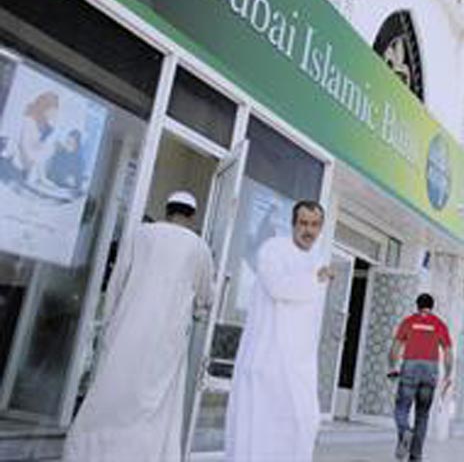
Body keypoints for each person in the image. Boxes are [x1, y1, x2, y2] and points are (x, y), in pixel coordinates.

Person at [62, 191, 214, 462]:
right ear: (192, 216)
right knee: (155, 405)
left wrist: (109, 323)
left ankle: (89, 453)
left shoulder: (140, 234)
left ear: (167, 210)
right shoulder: (198, 247)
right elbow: (206, 297)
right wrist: (198, 312)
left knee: (113, 391)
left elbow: (117, 282)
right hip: (167, 339)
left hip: (127, 329)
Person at [225, 200, 334, 462]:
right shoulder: (273, 249)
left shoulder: (318, 259)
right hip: (268, 358)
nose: (309, 230)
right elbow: (278, 287)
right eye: (303, 223)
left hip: (299, 362)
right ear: (293, 224)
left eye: (315, 225)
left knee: (302, 422)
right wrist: (315, 279)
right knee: (259, 428)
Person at [388, 293, 453, 462]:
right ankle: (415, 456)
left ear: (417, 305)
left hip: (410, 367)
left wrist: (392, 367)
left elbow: (395, 347)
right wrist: (448, 374)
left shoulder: (408, 321)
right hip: (430, 370)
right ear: (432, 306)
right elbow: (447, 352)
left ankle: (404, 431)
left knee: (401, 407)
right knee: (422, 414)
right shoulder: (439, 324)